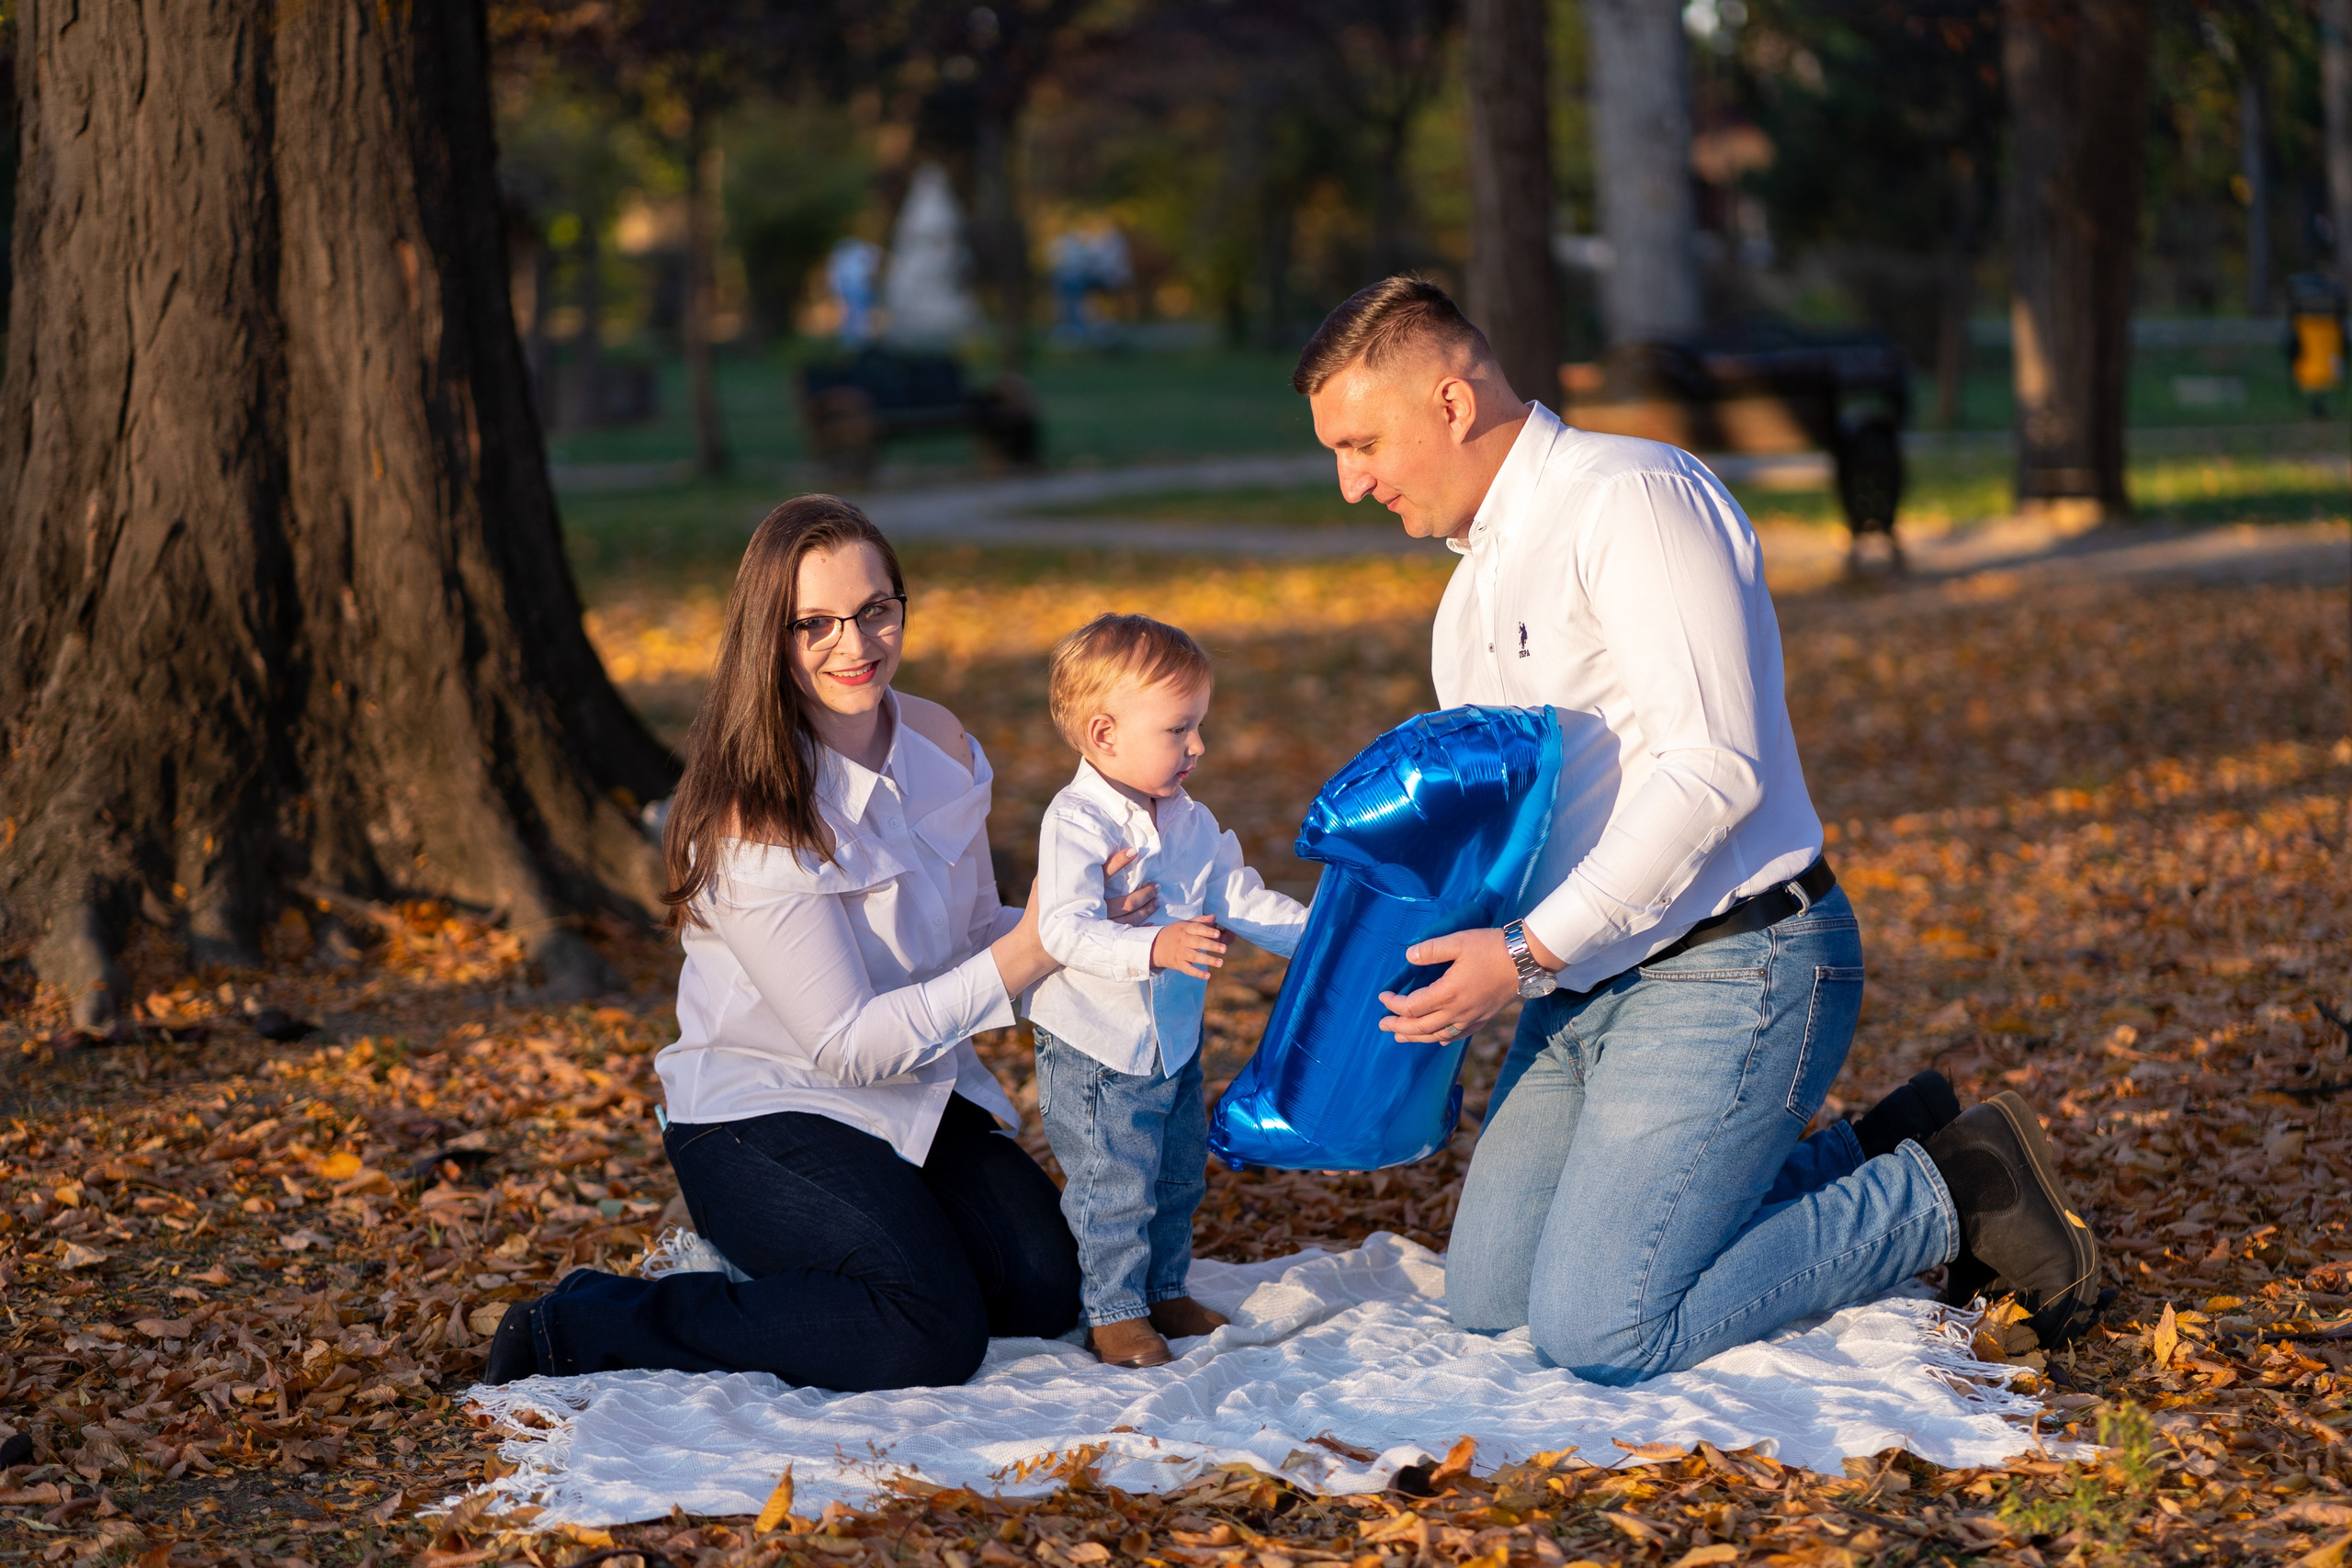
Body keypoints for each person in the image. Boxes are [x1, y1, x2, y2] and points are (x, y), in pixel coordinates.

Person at [1295, 277, 2102, 1384]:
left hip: (1734, 964)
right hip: (1579, 993)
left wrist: (1526, 953)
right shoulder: (1469, 596)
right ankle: (1860, 1152)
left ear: (1448, 402)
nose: (1350, 483)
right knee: (1489, 1302)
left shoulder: (1630, 500)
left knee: (1603, 1330)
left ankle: (1949, 1190)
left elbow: (1712, 770)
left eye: (1360, 442)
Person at [482, 495, 1159, 1392]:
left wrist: (1084, 932)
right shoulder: (749, 810)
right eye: (816, 623)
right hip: (764, 1113)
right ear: (770, 634)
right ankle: (583, 1322)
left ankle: (834, 1265)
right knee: (926, 1333)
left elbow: (970, 939)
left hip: (916, 1094)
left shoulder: (941, 742)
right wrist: (1031, 949)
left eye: (877, 609)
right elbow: (846, 1045)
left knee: (1045, 1290)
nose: (857, 645)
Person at [1028, 615, 1310, 1367]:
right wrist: (1153, 943)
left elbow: (1241, 895)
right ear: (1104, 734)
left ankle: (1163, 1288)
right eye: (1179, 729)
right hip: (1098, 1046)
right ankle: (1114, 1309)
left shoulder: (1191, 820)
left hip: (1173, 1041)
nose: (1199, 746)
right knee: (1114, 1180)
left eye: (1199, 726)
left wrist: (1319, 940)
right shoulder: (1076, 820)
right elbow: (1062, 929)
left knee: (1177, 1174)